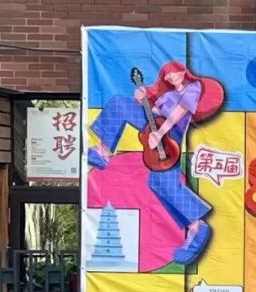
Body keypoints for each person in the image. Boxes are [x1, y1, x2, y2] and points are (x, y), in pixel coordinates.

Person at [88, 61, 224, 266]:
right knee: (119, 104)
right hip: (155, 125)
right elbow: (157, 113)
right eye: (168, 75)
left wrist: (159, 134)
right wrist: (143, 100)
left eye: (175, 73)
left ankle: (196, 227)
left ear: (183, 72)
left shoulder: (192, 88)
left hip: (170, 136)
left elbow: (178, 114)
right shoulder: (166, 93)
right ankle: (103, 151)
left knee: (161, 182)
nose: (172, 77)